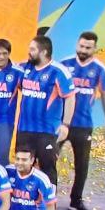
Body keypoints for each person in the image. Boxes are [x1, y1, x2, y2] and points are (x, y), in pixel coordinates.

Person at [59, 32, 105, 210]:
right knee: (49, 161)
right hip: (61, 123)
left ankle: (76, 201)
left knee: (82, 165)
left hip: (83, 124)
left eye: (87, 48)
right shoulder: (65, 64)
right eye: (81, 46)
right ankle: (46, 199)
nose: (83, 50)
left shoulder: (99, 69)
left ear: (94, 48)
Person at [16, 35, 75, 184]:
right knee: (23, 167)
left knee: (47, 168)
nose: (29, 52)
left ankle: (49, 199)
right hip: (24, 129)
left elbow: (70, 97)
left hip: (47, 130)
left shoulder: (58, 71)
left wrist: (65, 125)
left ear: (44, 52)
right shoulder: (24, 67)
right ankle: (25, 197)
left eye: (32, 49)